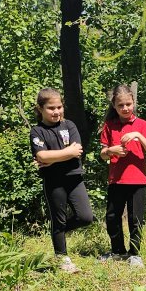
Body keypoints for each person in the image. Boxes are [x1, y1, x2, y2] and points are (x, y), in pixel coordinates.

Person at [30, 87, 93, 273]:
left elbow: (77, 151)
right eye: (51, 108)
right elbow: (42, 155)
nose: (56, 111)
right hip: (53, 181)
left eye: (59, 107)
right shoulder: (37, 131)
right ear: (40, 108)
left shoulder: (69, 126)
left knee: (85, 217)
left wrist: (51, 157)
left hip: (74, 179)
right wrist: (63, 154)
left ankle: (59, 233)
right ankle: (62, 258)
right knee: (58, 219)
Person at [98, 84, 146, 268]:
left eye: (128, 104)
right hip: (116, 180)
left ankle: (135, 254)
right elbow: (102, 154)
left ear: (133, 103)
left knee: (135, 218)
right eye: (121, 105)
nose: (125, 108)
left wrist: (138, 135)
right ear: (114, 106)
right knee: (112, 217)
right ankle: (118, 252)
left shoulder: (142, 125)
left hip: (137, 180)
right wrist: (111, 150)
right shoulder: (109, 125)